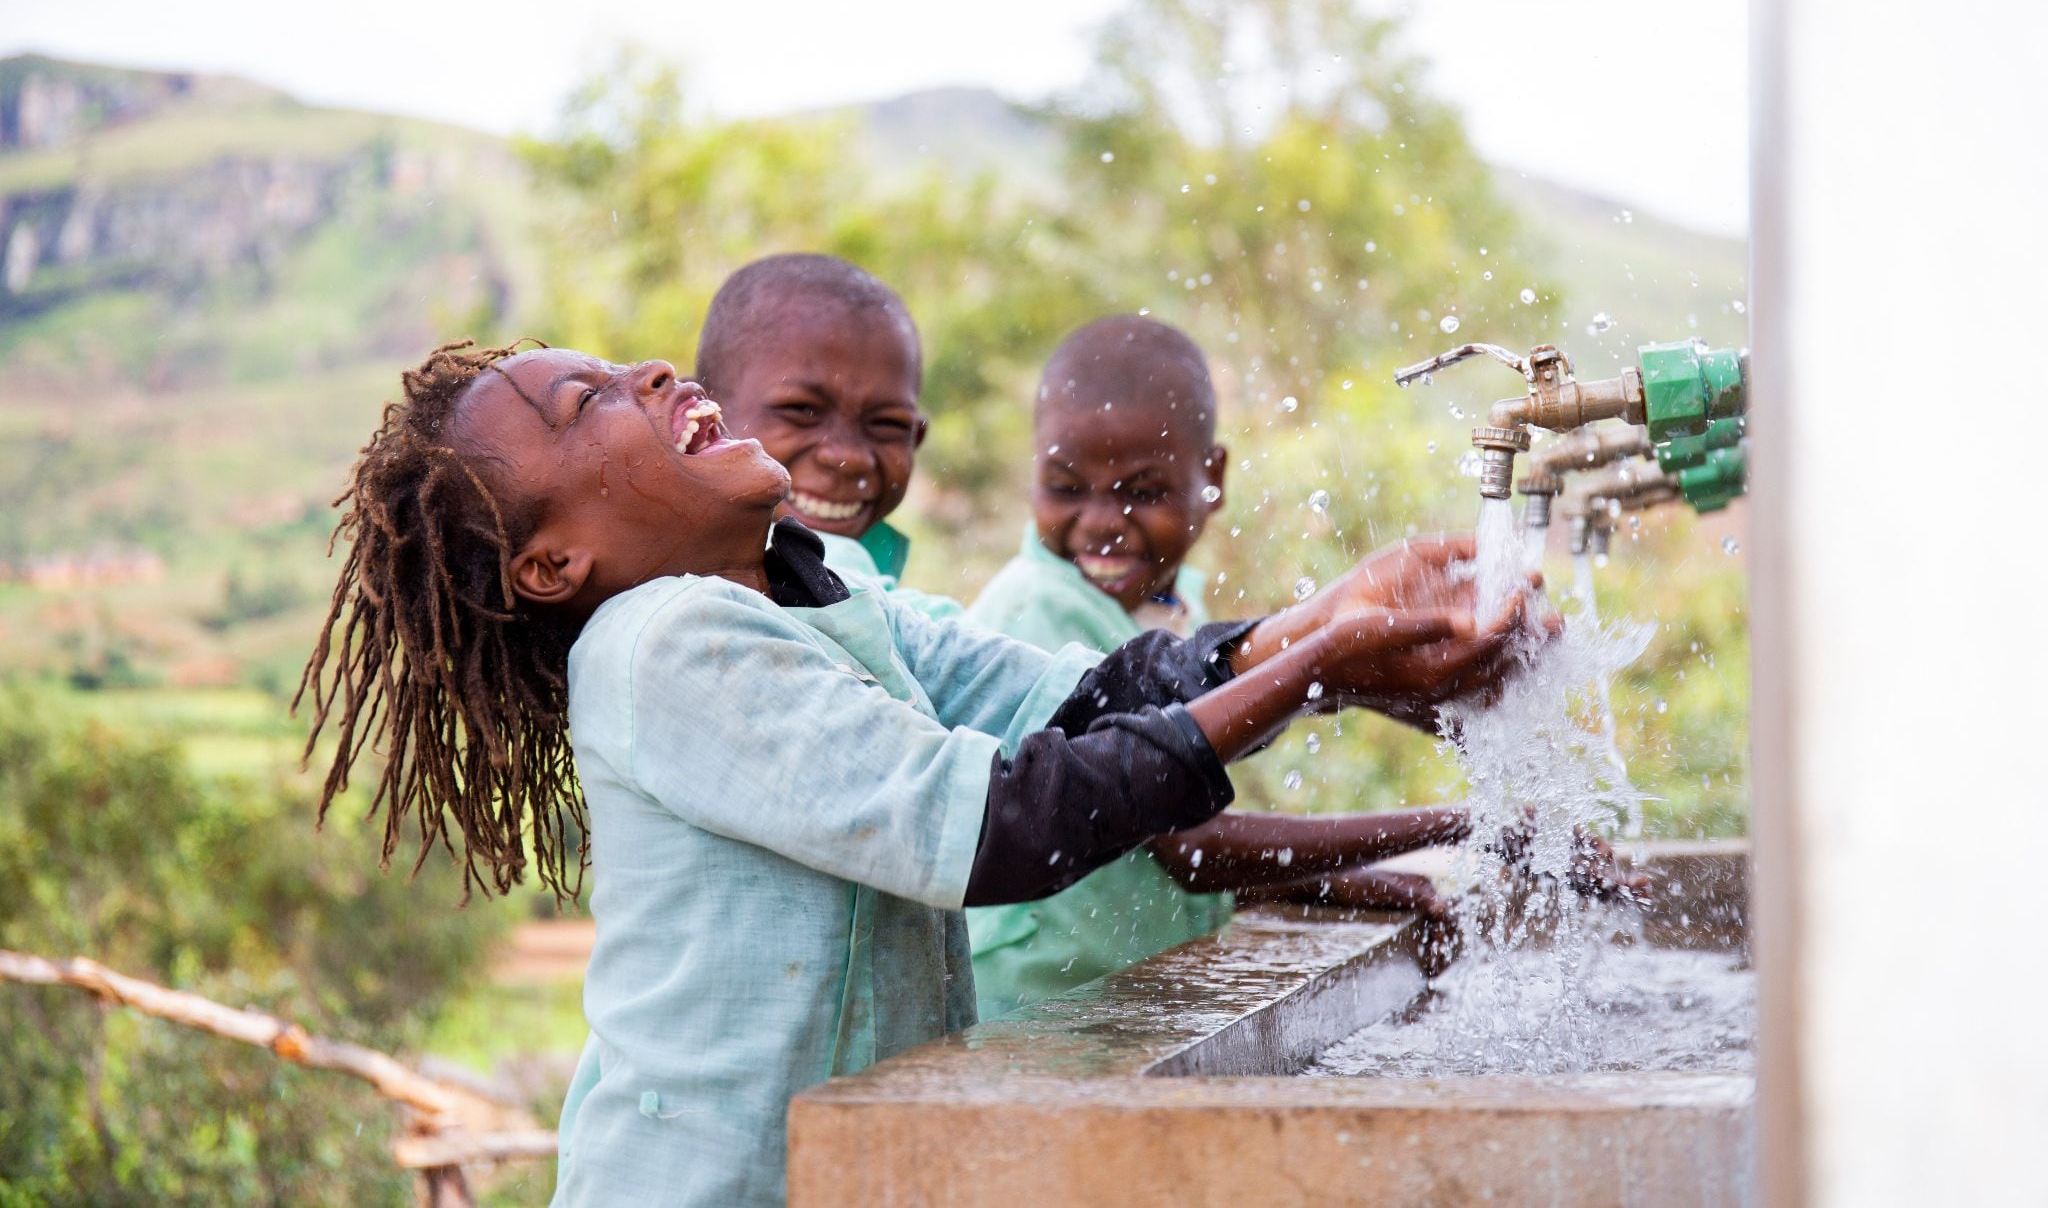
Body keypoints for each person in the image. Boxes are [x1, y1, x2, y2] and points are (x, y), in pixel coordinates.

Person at [296, 339, 1528, 1208]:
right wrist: (1325, 656)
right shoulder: (658, 646)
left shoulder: (818, 583)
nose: (652, 375)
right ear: (553, 565)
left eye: (626, 365)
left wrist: (1328, 632)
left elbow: (1081, 700)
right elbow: (1002, 828)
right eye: (590, 403)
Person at [965, 317, 1549, 1017]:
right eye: (1065, 487)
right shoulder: (1038, 608)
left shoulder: (1170, 608)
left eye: (1142, 491)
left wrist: (1349, 883)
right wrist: (1460, 822)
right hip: (1034, 1016)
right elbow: (1194, 852)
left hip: (1109, 1002)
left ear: (1211, 478)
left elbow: (1151, 853)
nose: (1101, 521)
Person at [696, 252, 962, 619]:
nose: (849, 456)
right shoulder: (663, 585)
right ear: (701, 415)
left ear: (914, 439)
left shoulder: (898, 601)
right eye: (802, 411)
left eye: (886, 424)